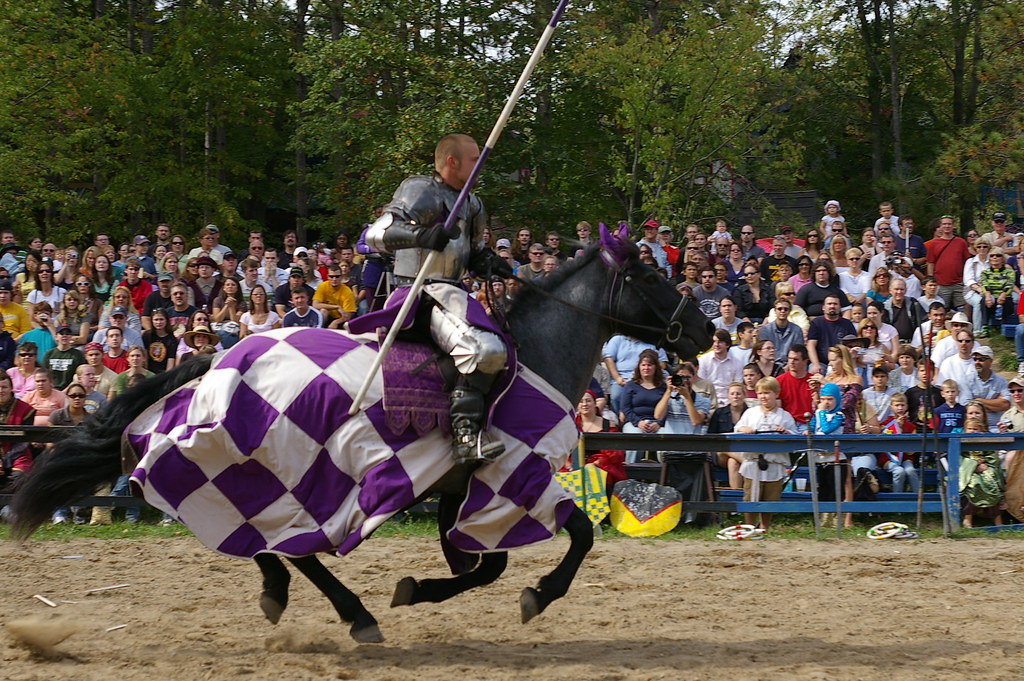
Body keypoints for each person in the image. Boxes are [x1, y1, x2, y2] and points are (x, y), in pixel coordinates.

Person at [733, 376, 797, 530]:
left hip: (774, 463)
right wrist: (745, 430)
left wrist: (785, 432)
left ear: (776, 394)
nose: (763, 396)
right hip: (753, 461)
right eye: (760, 393)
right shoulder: (751, 413)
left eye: (767, 393)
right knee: (750, 497)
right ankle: (749, 527)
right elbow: (738, 427)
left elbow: (794, 435)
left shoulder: (784, 416)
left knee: (770, 498)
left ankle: (764, 527)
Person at [620, 348, 670, 463]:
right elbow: (625, 408)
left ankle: (665, 474)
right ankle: (631, 474)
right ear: (639, 366)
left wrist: (659, 423)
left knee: (667, 439)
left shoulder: (663, 387)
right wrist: (638, 422)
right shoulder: (631, 385)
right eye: (643, 365)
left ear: (656, 367)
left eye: (650, 365)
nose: (646, 368)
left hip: (658, 424)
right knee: (634, 438)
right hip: (635, 423)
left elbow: (668, 408)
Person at [960, 418, 1005, 528]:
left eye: (975, 429)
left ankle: (997, 520)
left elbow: (992, 456)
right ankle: (967, 519)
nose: (972, 431)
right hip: (968, 471)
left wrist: (986, 464)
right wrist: (973, 465)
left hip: (985, 469)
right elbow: (960, 458)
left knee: (992, 481)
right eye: (969, 429)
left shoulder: (985, 441)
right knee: (973, 484)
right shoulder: (961, 442)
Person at [926, 215, 972, 310]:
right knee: (941, 309)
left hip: (959, 282)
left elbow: (967, 262)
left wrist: (966, 280)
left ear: (953, 226)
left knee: (964, 307)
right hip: (941, 283)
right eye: (944, 224)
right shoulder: (934, 243)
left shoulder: (961, 242)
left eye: (949, 224)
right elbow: (930, 263)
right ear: (940, 226)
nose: (947, 226)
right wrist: (931, 280)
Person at [878, 393, 919, 493]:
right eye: (897, 405)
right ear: (891, 407)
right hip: (888, 459)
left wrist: (902, 429)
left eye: (902, 405)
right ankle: (897, 499)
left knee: (911, 471)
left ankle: (918, 498)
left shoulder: (911, 427)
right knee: (899, 471)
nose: (900, 408)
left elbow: (911, 452)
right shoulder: (884, 425)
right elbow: (882, 443)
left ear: (907, 407)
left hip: (906, 458)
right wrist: (897, 427)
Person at [960, 346, 1009, 428]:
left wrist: (977, 401)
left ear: (990, 361)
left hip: (995, 427)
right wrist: (995, 402)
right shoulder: (966, 380)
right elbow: (967, 406)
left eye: (981, 359)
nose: (977, 362)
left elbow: (1005, 405)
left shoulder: (1001, 382)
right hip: (973, 428)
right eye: (975, 359)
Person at [806, 294, 855, 374]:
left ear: (840, 308)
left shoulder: (847, 324)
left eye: (835, 304)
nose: (832, 306)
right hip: (821, 364)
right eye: (829, 304)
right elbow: (811, 345)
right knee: (813, 371)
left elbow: (853, 346)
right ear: (823, 307)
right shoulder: (816, 323)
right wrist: (816, 364)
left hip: (841, 364)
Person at [698, 329, 744, 406]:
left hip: (730, 402)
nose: (716, 344)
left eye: (720, 342)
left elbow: (737, 385)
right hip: (708, 400)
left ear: (727, 344)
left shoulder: (737, 363)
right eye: (714, 342)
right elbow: (702, 385)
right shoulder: (702, 360)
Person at [978, 248, 1017, 336]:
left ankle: (1004, 327)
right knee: (984, 300)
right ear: (989, 259)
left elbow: (1009, 285)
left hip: (1005, 298)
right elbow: (985, 285)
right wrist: (987, 295)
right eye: (992, 256)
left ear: (1002, 258)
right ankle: (985, 327)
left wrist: (1003, 294)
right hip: (991, 299)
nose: (995, 257)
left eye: (998, 255)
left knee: (1006, 301)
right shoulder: (985, 273)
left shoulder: (1009, 272)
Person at [312, 264, 356, 328]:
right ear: (327, 277)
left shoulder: (347, 291)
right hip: (327, 317)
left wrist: (336, 322)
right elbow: (315, 304)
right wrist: (336, 307)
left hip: (341, 319)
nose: (334, 279)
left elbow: (348, 315)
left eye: (337, 276)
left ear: (341, 277)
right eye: (331, 276)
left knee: (345, 325)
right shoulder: (322, 286)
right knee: (323, 311)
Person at [41, 325, 84, 390]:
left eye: (67, 333)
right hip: (51, 390)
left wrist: (66, 391)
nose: (65, 335)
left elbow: (79, 376)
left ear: (71, 337)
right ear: (56, 337)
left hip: (71, 390)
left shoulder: (78, 354)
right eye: (61, 333)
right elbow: (44, 374)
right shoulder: (49, 354)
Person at [142, 308, 177, 374]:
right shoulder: (147, 336)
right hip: (148, 373)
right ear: (152, 321)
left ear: (166, 320)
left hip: (163, 374)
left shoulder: (172, 339)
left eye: (161, 319)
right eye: (156, 320)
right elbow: (145, 359)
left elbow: (170, 362)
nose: (158, 322)